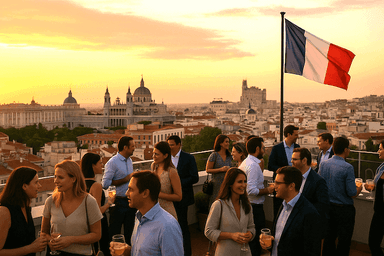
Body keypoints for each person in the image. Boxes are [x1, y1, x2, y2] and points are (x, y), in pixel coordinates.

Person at [110, 170, 184, 256]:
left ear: (145, 193)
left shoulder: (167, 227)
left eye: (131, 189)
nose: (127, 193)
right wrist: (128, 251)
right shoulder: (139, 217)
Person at [41, 160, 103, 255]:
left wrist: (71, 240)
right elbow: (44, 233)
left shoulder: (89, 201)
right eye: (55, 177)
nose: (55, 181)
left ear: (73, 179)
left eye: (60, 177)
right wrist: (50, 241)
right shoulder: (50, 201)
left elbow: (97, 235)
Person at [260, 166, 322, 256]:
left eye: (278, 183)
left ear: (291, 186)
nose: (274, 186)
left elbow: (312, 251)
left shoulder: (309, 213)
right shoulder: (283, 204)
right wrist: (269, 243)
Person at [319, 137, 362, 256]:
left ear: (333, 148)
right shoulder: (348, 167)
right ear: (345, 149)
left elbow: (320, 184)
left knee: (329, 239)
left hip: (328, 208)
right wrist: (359, 188)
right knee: (344, 241)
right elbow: (352, 193)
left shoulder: (323, 164)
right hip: (344, 211)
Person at [205, 168, 256, 256]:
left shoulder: (247, 205)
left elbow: (252, 227)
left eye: (245, 181)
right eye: (240, 182)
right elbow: (209, 231)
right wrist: (231, 235)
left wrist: (250, 234)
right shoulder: (218, 205)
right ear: (230, 184)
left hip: (245, 253)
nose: (243, 185)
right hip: (225, 252)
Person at [0, 167, 49, 256]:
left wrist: (37, 242)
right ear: (24, 186)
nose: (39, 186)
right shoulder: (4, 211)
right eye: (36, 182)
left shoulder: (25, 207)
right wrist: (31, 248)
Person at [239, 137, 273, 256]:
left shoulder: (246, 162)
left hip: (249, 205)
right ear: (257, 149)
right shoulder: (253, 166)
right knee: (256, 239)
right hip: (254, 207)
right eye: (263, 148)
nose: (264, 151)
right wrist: (268, 190)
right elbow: (251, 190)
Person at [167, 135, 199, 256]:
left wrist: (177, 183)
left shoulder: (189, 158)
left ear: (179, 144)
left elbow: (195, 177)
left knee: (182, 226)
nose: (169, 147)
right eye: (168, 145)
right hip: (168, 198)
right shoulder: (166, 158)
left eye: (172, 144)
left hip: (183, 198)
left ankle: (186, 252)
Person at [102, 136, 136, 243]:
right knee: (114, 234)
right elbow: (105, 184)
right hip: (118, 203)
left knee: (130, 233)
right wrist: (126, 178)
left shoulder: (129, 160)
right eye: (133, 146)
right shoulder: (112, 163)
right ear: (125, 147)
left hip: (131, 202)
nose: (134, 148)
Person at [81, 153, 116, 256]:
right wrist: (109, 203)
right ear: (93, 166)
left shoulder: (80, 184)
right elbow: (97, 213)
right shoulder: (96, 185)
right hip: (98, 224)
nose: (102, 165)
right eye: (100, 163)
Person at [291, 148, 330, 240]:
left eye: (294, 159)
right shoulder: (292, 177)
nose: (291, 161)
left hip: (308, 228)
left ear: (304, 160)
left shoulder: (318, 181)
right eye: (292, 159)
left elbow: (322, 206)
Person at [268, 125, 300, 221]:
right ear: (288, 134)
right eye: (295, 134)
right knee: (278, 210)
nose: (297, 137)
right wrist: (284, 170)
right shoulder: (277, 148)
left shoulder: (297, 147)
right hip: (280, 184)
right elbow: (270, 166)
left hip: (293, 185)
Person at [151, 141, 182, 219]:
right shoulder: (153, 166)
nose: (153, 156)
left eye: (156, 154)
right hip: (154, 210)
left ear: (165, 155)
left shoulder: (171, 171)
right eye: (153, 153)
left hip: (167, 212)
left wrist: (158, 194)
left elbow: (179, 196)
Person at [367, 140, 384, 256]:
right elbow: (377, 185)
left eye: (380, 149)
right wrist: (372, 187)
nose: (378, 151)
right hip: (379, 212)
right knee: (373, 243)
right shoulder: (381, 167)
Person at [206, 134, 232, 207]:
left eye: (228, 142)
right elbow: (208, 169)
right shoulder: (214, 155)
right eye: (226, 142)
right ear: (220, 143)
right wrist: (221, 169)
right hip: (216, 184)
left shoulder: (229, 156)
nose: (228, 144)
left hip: (227, 184)